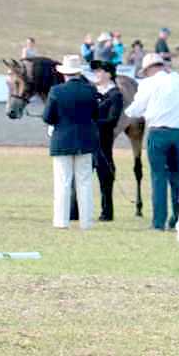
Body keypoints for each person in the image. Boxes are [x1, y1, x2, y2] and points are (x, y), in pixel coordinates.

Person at [124, 53, 179, 231]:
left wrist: (126, 112)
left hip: (158, 133)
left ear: (149, 69)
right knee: (177, 178)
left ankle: (159, 222)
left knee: (158, 177)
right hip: (177, 134)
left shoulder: (148, 83)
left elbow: (136, 109)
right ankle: (178, 219)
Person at [42, 54, 99, 229]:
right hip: (85, 141)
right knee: (85, 181)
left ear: (65, 74)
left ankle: (61, 221)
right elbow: (95, 115)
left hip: (62, 141)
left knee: (62, 182)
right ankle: (86, 222)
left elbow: (47, 117)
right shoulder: (90, 90)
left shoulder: (56, 91)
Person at [90, 60, 123, 221]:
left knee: (105, 177)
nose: (96, 74)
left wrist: (91, 122)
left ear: (109, 74)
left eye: (100, 71)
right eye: (95, 71)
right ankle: (76, 210)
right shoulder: (91, 91)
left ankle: (107, 211)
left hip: (103, 142)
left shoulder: (115, 95)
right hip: (88, 142)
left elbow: (113, 121)